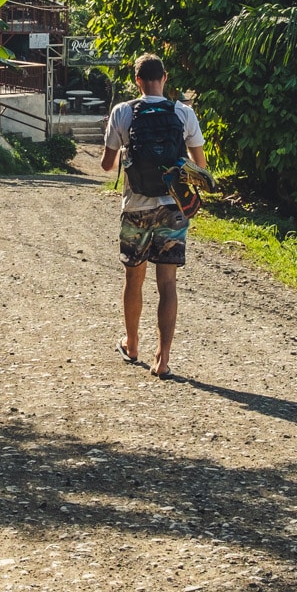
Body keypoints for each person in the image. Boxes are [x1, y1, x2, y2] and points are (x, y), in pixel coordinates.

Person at [101, 53, 207, 378]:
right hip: (173, 209)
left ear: (137, 81)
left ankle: (132, 345)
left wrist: (128, 152)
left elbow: (107, 166)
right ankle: (163, 360)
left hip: (135, 208)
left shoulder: (122, 112)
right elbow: (200, 168)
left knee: (134, 278)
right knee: (168, 283)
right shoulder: (183, 112)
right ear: (165, 77)